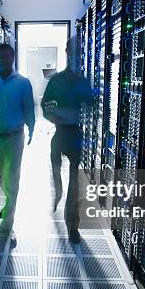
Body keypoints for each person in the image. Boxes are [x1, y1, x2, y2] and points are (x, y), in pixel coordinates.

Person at [0, 43, 35, 247]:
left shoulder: (23, 83)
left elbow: (29, 108)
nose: (6, 59)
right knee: (2, 176)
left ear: (13, 57)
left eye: (9, 56)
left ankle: (8, 222)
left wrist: (32, 129)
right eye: (2, 56)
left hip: (15, 136)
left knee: (12, 177)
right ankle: (9, 203)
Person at [41, 36, 93, 244]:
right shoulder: (56, 80)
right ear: (67, 52)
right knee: (57, 174)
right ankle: (57, 195)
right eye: (74, 51)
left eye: (80, 51)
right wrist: (53, 116)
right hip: (59, 132)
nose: (77, 55)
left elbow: (91, 104)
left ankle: (73, 226)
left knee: (75, 182)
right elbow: (45, 105)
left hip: (75, 134)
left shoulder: (83, 81)